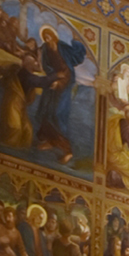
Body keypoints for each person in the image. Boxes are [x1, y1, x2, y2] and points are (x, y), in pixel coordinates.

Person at [33, 25, 87, 164]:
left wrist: (76, 42)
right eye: (45, 37)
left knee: (57, 114)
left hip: (65, 82)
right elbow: (46, 66)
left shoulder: (62, 47)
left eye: (49, 36)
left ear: (53, 36)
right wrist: (54, 77)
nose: (47, 39)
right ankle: (50, 141)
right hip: (53, 81)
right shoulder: (45, 50)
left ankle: (67, 150)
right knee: (46, 111)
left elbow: (76, 57)